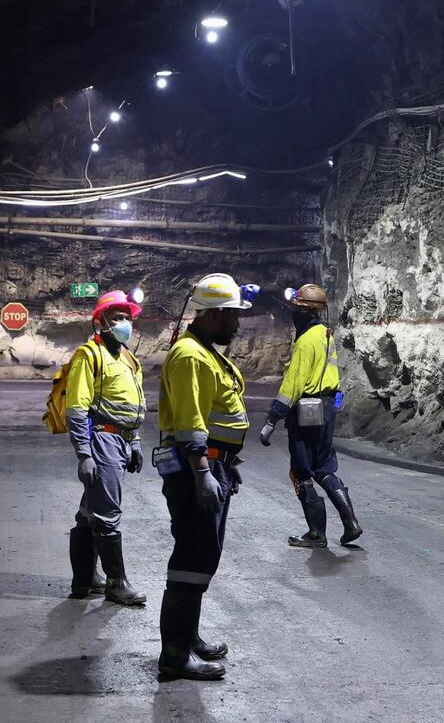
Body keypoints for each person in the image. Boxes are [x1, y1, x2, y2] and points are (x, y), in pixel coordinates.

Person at [154, 273, 256, 680]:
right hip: (198, 467)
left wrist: (225, 465)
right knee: (192, 558)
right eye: (232, 315)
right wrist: (202, 473)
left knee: (201, 557)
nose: (238, 323)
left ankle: (188, 638)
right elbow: (191, 423)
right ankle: (175, 656)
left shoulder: (204, 352)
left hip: (214, 466)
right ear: (213, 315)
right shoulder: (192, 357)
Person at [259, 284, 362, 547]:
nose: (294, 313)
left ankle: (317, 534)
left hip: (307, 408)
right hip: (327, 407)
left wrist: (273, 418)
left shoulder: (305, 341)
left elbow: (293, 383)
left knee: (302, 472)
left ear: (305, 312)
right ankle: (350, 522)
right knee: (324, 467)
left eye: (297, 309)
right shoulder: (325, 335)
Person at [66, 290, 148, 606]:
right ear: (101, 321)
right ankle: (116, 583)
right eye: (117, 317)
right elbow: (77, 408)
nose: (125, 323)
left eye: (127, 317)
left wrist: (136, 443)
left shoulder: (129, 358)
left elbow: (134, 403)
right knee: (108, 512)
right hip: (102, 440)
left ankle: (84, 579)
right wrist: (84, 454)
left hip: (121, 440)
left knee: (90, 511)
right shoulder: (90, 355)